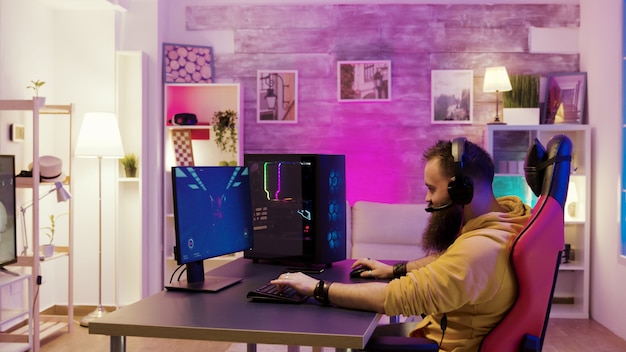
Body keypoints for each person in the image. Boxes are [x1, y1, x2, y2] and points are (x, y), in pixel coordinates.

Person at [270, 137, 532, 351]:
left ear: (462, 190)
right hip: (437, 332)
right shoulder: (508, 215)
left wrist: (316, 287)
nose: (427, 198)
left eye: (432, 188)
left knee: (357, 341)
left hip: (444, 346)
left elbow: (394, 298)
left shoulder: (480, 251)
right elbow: (450, 261)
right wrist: (395, 270)